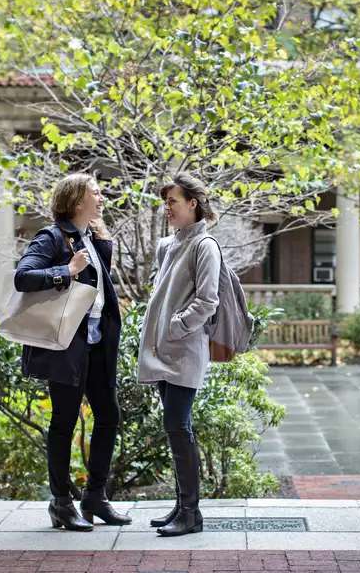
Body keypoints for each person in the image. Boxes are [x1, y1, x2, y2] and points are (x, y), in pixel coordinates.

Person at [14, 173, 131, 531]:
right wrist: (66, 270)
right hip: (67, 347)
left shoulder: (96, 238)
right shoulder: (51, 237)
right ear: (77, 201)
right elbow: (23, 277)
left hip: (98, 346)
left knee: (108, 416)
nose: (102, 197)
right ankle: (62, 503)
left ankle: (96, 496)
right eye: (96, 192)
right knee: (64, 422)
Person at [138, 172, 221, 537]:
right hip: (161, 350)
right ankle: (181, 508)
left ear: (193, 203)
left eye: (172, 201)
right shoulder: (166, 245)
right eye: (165, 201)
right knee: (174, 428)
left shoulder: (205, 246)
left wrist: (174, 327)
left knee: (178, 425)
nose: (166, 208)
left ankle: (191, 513)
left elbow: (207, 301)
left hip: (184, 350)